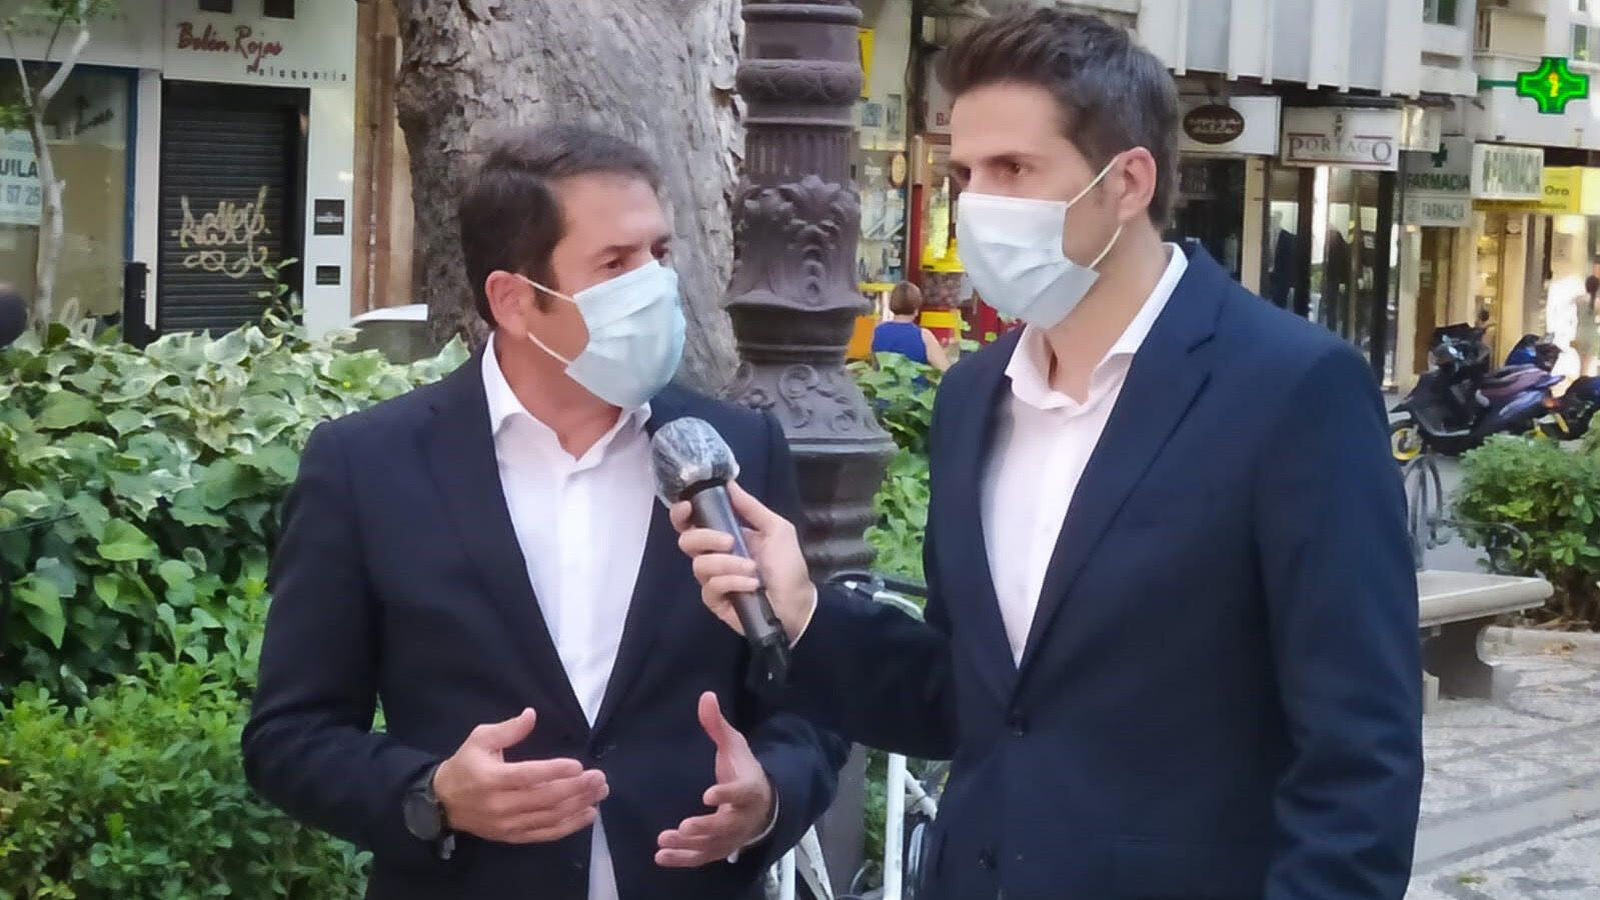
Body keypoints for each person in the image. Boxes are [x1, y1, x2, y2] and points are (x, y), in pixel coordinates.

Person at [675, 11, 1421, 900]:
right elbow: (973, 701)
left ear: (1128, 181)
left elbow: (1359, 756)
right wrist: (803, 613)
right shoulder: (975, 397)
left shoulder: (1292, 390)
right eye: (963, 173)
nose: (977, 202)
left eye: (1014, 169)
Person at [242, 125, 847, 900]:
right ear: (515, 300)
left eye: (660, 254)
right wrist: (433, 794)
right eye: (616, 264)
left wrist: (769, 798)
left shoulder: (731, 452)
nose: (655, 286)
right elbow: (288, 737)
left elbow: (811, 699)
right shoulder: (367, 467)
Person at [871, 281, 951, 371]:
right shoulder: (923, 336)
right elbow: (945, 370)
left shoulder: (878, 331)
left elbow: (875, 366)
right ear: (916, 308)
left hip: (883, 384)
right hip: (914, 384)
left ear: (892, 304)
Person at [1575, 275, 1599, 376]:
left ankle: (1581, 381)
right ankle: (1584, 383)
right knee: (1587, 365)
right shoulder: (1598, 302)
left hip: (1580, 332)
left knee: (1581, 363)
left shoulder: (1578, 299)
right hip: (1592, 333)